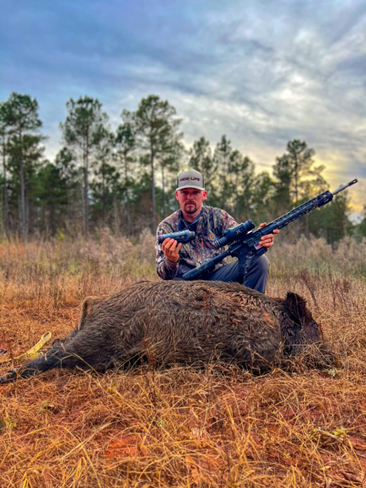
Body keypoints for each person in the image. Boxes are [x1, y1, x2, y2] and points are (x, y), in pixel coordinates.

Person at [155, 169, 279, 294]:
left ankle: (252, 310)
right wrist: (171, 261)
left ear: (204, 195)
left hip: (218, 278)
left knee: (259, 261)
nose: (190, 197)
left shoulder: (219, 217)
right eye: (185, 192)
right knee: (167, 291)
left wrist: (259, 240)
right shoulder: (166, 227)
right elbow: (163, 274)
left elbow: (243, 240)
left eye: (196, 192)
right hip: (183, 284)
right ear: (177, 195)